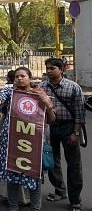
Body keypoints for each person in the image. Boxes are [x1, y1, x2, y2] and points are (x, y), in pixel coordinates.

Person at [0, 67, 56, 211]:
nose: (19, 79)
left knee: (33, 175)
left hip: (32, 141)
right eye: (17, 76)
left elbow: (51, 119)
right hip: (11, 140)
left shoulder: (40, 94)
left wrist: (48, 104)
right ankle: (13, 206)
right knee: (12, 174)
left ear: (30, 78)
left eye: (22, 76)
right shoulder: (10, 91)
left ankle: (35, 207)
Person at [41, 58, 85, 211]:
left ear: (61, 70)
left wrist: (75, 133)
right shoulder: (42, 87)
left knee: (74, 164)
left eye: (52, 68)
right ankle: (59, 190)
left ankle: (75, 199)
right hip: (49, 128)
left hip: (69, 128)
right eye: (47, 68)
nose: (49, 71)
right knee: (52, 161)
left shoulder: (73, 88)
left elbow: (80, 113)